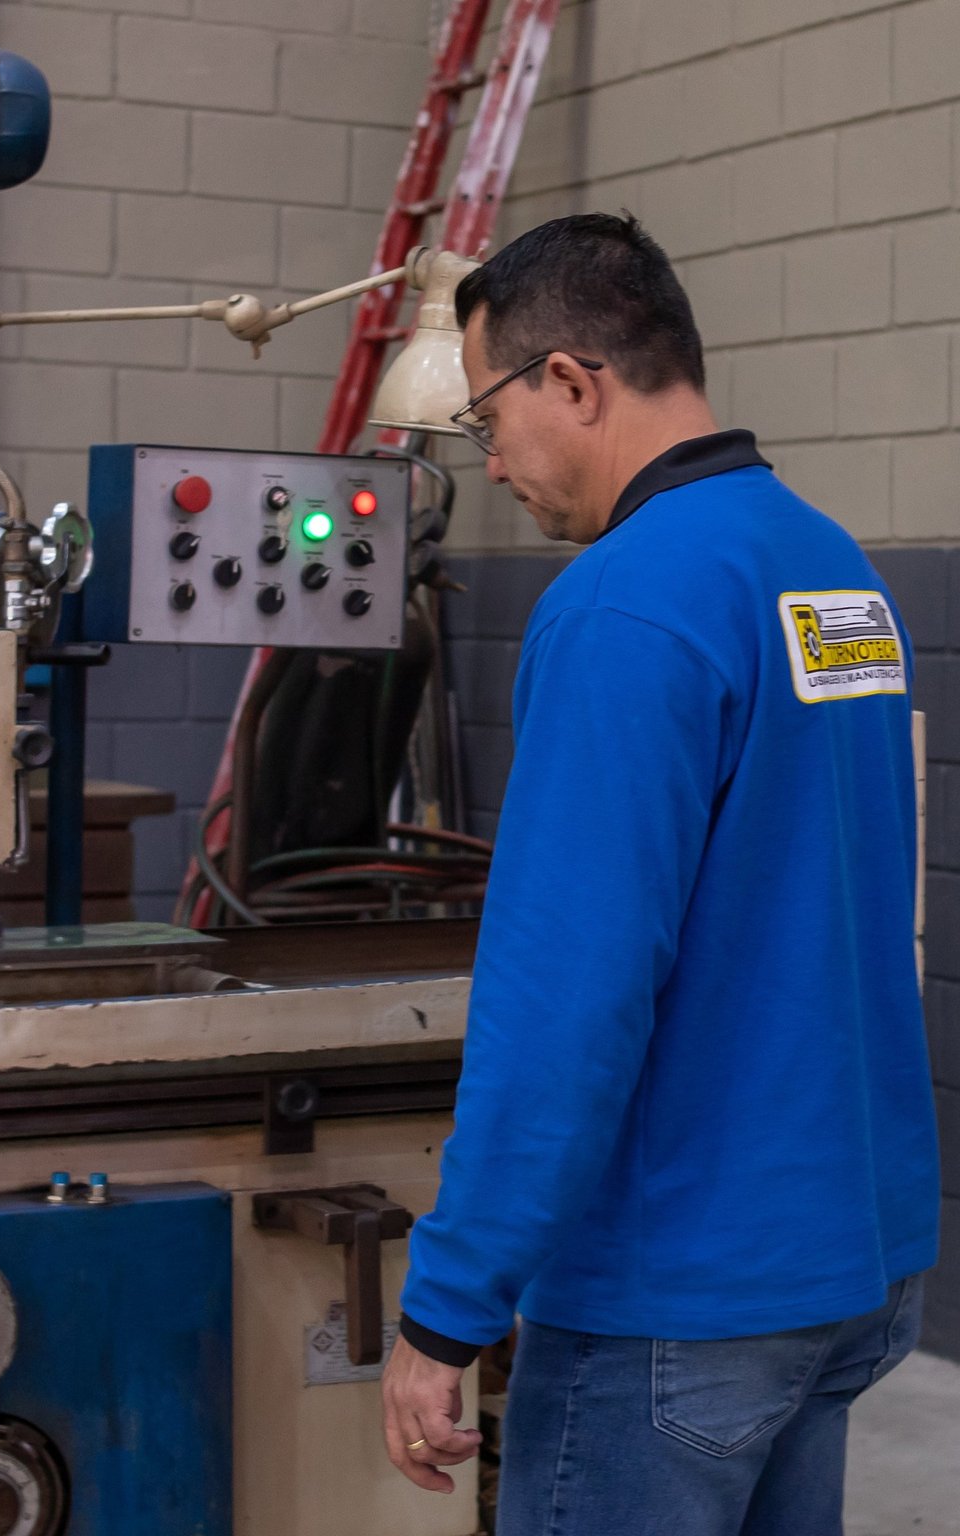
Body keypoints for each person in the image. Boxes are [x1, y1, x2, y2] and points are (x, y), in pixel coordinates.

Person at [378, 213, 939, 1536]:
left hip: (678, 1297)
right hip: (846, 1267)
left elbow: (568, 1001)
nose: (494, 459)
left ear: (571, 380)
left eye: (489, 418)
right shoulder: (837, 575)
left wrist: (447, 1307)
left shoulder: (624, 605)